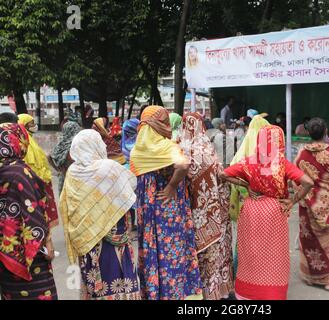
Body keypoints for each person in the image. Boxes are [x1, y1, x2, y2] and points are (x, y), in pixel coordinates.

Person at [221, 125, 313, 300]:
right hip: (274, 211)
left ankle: (247, 293)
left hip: (251, 210)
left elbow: (222, 174)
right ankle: (272, 293)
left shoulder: (249, 162)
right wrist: (293, 200)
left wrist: (246, 184)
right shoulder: (282, 164)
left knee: (251, 252)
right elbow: (308, 182)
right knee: (274, 255)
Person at [130, 105, 203, 300]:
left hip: (148, 208)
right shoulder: (167, 146)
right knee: (172, 249)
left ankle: (155, 293)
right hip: (168, 207)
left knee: (151, 246)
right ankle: (174, 293)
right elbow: (184, 164)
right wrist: (172, 186)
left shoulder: (137, 149)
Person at [59, 129, 140, 300]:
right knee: (118, 281)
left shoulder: (73, 172)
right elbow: (130, 185)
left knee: (96, 286)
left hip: (89, 243)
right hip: (114, 241)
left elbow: (68, 206)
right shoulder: (109, 168)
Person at [179, 112, 233, 300]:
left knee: (194, 254)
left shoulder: (178, 148)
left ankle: (195, 292)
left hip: (190, 211)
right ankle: (215, 292)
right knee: (213, 254)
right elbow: (221, 176)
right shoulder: (207, 148)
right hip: (212, 213)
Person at [0, 123, 58, 300]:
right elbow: (33, 213)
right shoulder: (20, 172)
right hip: (27, 257)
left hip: (4, 256)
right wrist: (47, 243)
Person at [294, 118, 329, 291]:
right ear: (326, 131)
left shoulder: (301, 152)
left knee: (309, 242)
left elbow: (295, 177)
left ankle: (311, 277)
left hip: (306, 206)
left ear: (309, 133)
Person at [228, 115, 270, 278]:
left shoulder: (241, 154)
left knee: (244, 241)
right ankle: (260, 277)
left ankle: (241, 274)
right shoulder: (268, 153)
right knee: (264, 241)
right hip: (264, 208)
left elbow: (228, 175)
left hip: (244, 207)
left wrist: (245, 188)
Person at [18, 114, 59, 229]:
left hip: (41, 180)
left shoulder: (30, 139)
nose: (34, 125)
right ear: (24, 125)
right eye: (32, 123)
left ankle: (46, 243)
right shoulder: (25, 142)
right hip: (35, 183)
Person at [49, 121, 82, 195]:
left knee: (63, 200)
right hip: (74, 178)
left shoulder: (61, 143)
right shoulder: (75, 144)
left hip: (62, 178)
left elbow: (49, 157)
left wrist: (59, 170)